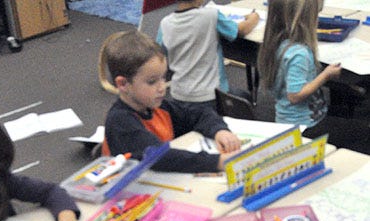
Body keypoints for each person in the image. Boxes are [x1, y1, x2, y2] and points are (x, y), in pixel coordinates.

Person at [100, 30, 241, 173]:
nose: (162, 87)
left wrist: (219, 131)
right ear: (123, 84)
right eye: (152, 82)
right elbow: (159, 156)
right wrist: (218, 162)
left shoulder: (157, 107)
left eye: (163, 78)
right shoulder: (120, 121)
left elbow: (199, 113)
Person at [257, 0, 369, 147]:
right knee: (364, 132)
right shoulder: (299, 53)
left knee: (343, 117)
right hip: (305, 126)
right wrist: (325, 75)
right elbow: (295, 95)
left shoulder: (276, 43)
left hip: (288, 120)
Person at [156, 0, 260, 108]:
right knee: (245, 98)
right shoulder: (211, 15)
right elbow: (241, 30)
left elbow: (160, 57)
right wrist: (254, 18)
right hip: (212, 95)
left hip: (179, 95)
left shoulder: (165, 24)